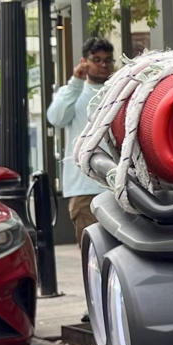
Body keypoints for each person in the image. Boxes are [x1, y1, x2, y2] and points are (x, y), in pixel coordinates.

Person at [46, 36, 115, 240]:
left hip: (118, 184)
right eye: (97, 59)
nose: (103, 65)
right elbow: (56, 118)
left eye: (107, 60)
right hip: (84, 186)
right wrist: (75, 81)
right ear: (84, 61)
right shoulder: (72, 92)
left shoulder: (119, 92)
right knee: (92, 253)